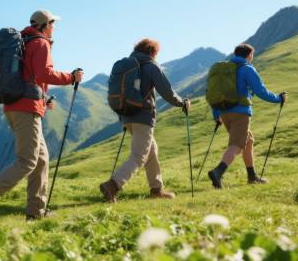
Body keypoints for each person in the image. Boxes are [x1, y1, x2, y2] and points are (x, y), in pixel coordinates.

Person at [0, 10, 83, 224]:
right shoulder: (40, 44)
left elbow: (28, 77)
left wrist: (44, 98)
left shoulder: (24, 42)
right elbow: (43, 74)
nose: (54, 28)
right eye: (52, 24)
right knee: (28, 160)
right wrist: (71, 77)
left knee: (41, 160)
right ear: (45, 25)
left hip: (15, 106)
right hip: (26, 109)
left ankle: (36, 211)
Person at [99, 38, 190, 202]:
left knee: (151, 151)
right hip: (143, 116)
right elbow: (166, 91)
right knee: (139, 156)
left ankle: (157, 189)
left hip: (126, 115)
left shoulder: (127, 65)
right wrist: (181, 102)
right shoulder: (150, 65)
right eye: (156, 53)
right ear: (151, 51)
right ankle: (113, 185)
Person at [207, 43, 286, 188]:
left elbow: (214, 93)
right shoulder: (246, 69)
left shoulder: (223, 70)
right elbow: (261, 91)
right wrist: (278, 98)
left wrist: (216, 115)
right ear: (249, 55)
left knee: (248, 141)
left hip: (224, 112)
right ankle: (218, 172)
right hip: (240, 113)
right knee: (236, 145)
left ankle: (252, 176)